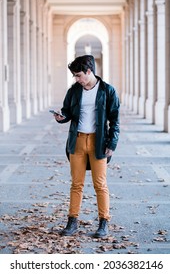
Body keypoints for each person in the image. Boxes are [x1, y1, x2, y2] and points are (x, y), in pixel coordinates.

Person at [53, 55, 120, 238]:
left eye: (78, 75)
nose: (77, 78)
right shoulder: (74, 90)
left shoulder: (108, 90)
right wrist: (62, 117)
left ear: (89, 71)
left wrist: (112, 143)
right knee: (76, 184)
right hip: (77, 140)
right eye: (75, 76)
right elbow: (67, 111)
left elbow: (115, 120)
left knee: (100, 184)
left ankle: (103, 223)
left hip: (99, 142)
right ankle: (72, 222)